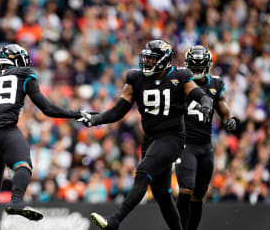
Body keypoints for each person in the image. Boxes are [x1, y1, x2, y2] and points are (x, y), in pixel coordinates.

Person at [78, 40, 213, 230]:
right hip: (151, 140)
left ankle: (114, 221)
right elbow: (118, 110)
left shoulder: (180, 76)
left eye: (152, 59)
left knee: (142, 174)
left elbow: (200, 94)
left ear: (164, 60)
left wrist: (206, 104)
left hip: (172, 137)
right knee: (161, 194)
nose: (147, 62)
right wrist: (96, 119)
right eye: (146, 58)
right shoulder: (135, 77)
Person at [0, 44, 81, 230]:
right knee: (23, 165)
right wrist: (75, 114)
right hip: (5, 130)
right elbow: (47, 109)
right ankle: (16, 201)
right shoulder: (24, 74)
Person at [175, 45, 237, 230]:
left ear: (207, 65)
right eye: (193, 65)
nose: (196, 69)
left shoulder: (215, 84)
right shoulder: (180, 82)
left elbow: (223, 108)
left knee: (199, 194)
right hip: (186, 144)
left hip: (205, 145)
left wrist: (228, 119)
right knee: (186, 189)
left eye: (199, 65)